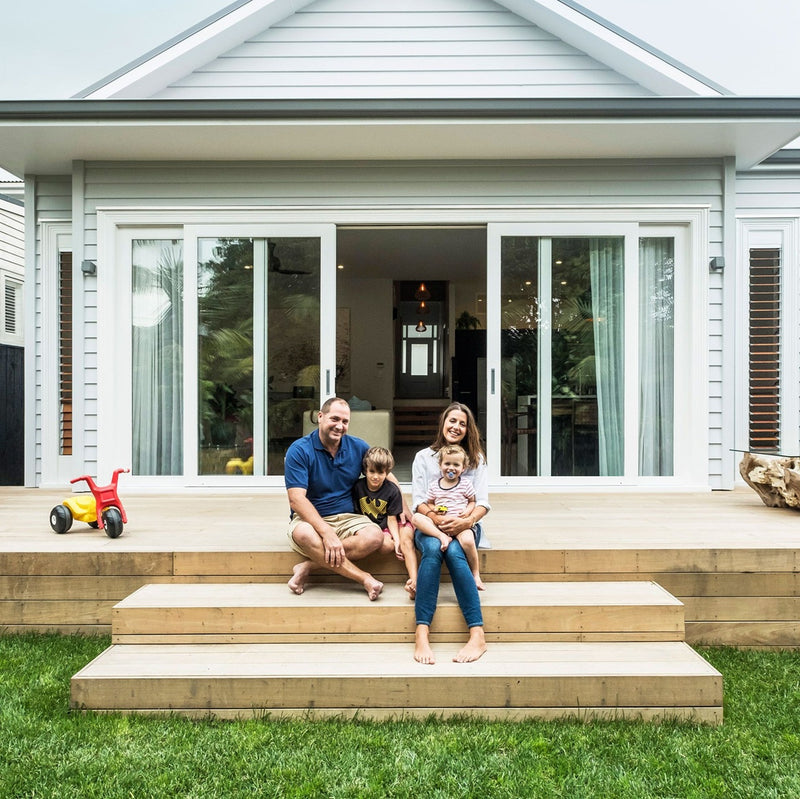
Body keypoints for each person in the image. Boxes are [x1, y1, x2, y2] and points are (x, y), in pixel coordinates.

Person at [285, 397, 399, 601]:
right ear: (320, 417)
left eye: (345, 421)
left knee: (375, 536)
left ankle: (309, 566)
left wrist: (403, 508)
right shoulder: (299, 450)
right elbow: (296, 500)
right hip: (309, 519)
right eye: (334, 419)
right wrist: (326, 532)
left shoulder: (357, 447)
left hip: (348, 516)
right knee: (304, 535)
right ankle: (364, 578)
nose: (340, 426)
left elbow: (385, 473)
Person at [410, 402, 490, 664]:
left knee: (456, 553)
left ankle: (477, 634)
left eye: (462, 423)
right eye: (451, 421)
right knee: (432, 550)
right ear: (443, 423)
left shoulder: (476, 461)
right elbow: (420, 502)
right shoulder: (424, 457)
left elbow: (482, 504)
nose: (456, 427)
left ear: (469, 430)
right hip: (433, 527)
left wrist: (465, 522)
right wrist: (436, 520)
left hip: (464, 525)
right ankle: (421, 632)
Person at [412, 443, 484, 591]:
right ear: (440, 465)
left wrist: (468, 512)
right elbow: (429, 503)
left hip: (459, 524)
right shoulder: (434, 485)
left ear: (463, 468)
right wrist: (434, 509)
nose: (451, 468)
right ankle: (441, 537)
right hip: (439, 525)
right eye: (447, 463)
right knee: (416, 518)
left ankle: (475, 573)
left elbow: (473, 501)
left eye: (456, 465)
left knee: (469, 541)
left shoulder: (465, 484)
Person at [352, 446, 418, 592]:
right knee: (384, 545)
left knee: (400, 543)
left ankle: (414, 582)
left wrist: (397, 541)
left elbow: (392, 519)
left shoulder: (392, 490)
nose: (376, 476)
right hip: (373, 527)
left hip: (390, 524)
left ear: (387, 472)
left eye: (381, 472)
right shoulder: (358, 488)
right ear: (365, 471)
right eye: (372, 472)